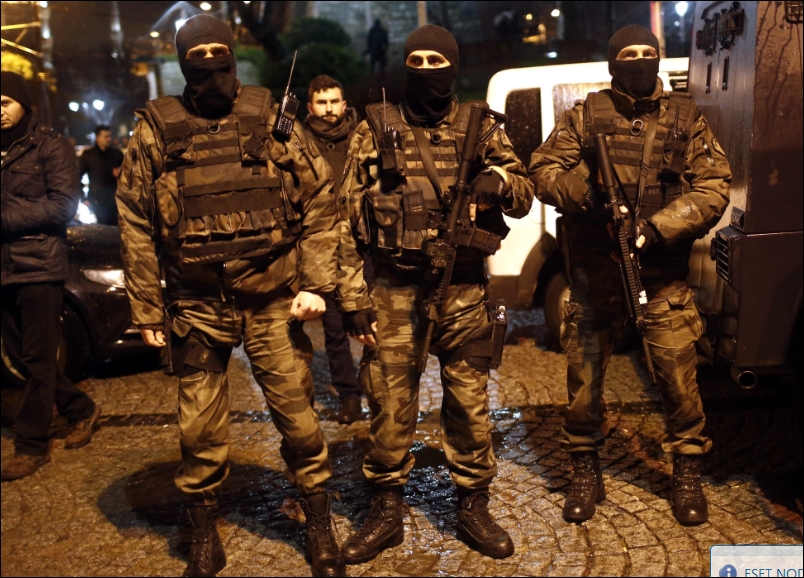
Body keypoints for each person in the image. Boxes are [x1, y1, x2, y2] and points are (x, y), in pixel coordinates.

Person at [115, 15, 371, 578]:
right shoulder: (157, 130)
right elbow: (134, 218)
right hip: (197, 305)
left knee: (299, 421)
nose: (210, 64)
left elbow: (320, 201)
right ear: (182, 61)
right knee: (198, 430)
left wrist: (314, 283)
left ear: (232, 55)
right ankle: (203, 532)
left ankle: (319, 522)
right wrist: (147, 305)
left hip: (271, 300)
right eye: (197, 54)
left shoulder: (271, 119)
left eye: (219, 51)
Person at [340, 25, 535, 562]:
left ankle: (472, 503)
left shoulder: (481, 127)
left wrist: (500, 181)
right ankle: (385, 509)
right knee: (389, 404)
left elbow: (525, 193)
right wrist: (353, 298)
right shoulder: (374, 129)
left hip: (465, 292)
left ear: (453, 66)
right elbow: (342, 220)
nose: (427, 70)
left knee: (469, 405)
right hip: (394, 291)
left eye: (437, 61)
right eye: (417, 61)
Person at [529, 25, 731, 526]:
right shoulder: (584, 116)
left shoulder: (686, 117)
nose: (640, 61)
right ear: (612, 63)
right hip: (595, 272)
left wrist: (657, 228)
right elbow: (543, 170)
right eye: (628, 54)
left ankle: (686, 472)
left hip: (662, 278)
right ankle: (585, 469)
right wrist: (588, 196)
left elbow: (713, 188)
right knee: (583, 382)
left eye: (647, 53)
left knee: (679, 383)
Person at [1, 71, 102, 481]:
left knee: (40, 359)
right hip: (2, 269)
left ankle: (32, 445)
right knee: (22, 358)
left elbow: (63, 204)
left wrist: (5, 220)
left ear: (23, 103)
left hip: (39, 266)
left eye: (5, 103)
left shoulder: (49, 145)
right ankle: (81, 409)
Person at [303, 74, 374, 425]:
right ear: (310, 107)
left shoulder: (363, 139)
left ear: (344, 104)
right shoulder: (299, 143)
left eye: (334, 101)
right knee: (334, 330)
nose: (329, 109)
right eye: (322, 102)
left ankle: (378, 390)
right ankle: (349, 396)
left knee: (372, 322)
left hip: (363, 245)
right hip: (323, 248)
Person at [78, 125, 124, 226]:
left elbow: (130, 174)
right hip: (96, 200)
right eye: (106, 136)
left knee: (116, 229)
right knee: (102, 229)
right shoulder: (89, 155)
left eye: (110, 136)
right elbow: (77, 176)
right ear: (98, 138)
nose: (109, 139)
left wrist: (121, 174)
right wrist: (83, 198)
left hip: (115, 200)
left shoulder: (117, 154)